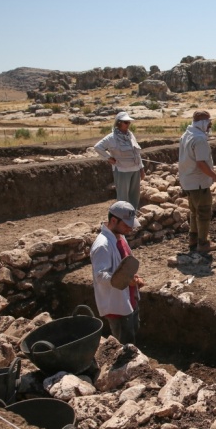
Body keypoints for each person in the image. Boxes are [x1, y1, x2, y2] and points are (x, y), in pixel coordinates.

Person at [91, 201, 144, 344]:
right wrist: (127, 280)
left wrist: (134, 278)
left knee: (132, 336)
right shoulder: (102, 245)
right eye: (126, 225)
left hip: (129, 298)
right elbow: (100, 275)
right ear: (114, 220)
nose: (130, 228)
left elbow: (123, 266)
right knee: (124, 345)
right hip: (117, 307)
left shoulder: (120, 237)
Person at [178, 110, 216, 253]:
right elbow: (201, 164)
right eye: (209, 123)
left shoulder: (186, 134)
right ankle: (203, 244)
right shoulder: (199, 139)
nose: (210, 125)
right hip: (198, 182)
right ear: (203, 123)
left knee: (194, 211)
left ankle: (193, 239)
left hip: (188, 180)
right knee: (204, 212)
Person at [94, 112, 145, 209]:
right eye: (126, 122)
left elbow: (136, 153)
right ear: (119, 123)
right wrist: (108, 158)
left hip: (135, 170)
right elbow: (98, 147)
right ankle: (123, 216)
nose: (128, 124)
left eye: (129, 122)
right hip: (122, 170)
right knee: (123, 197)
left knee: (135, 195)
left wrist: (141, 169)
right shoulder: (111, 137)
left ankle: (133, 214)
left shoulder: (130, 135)